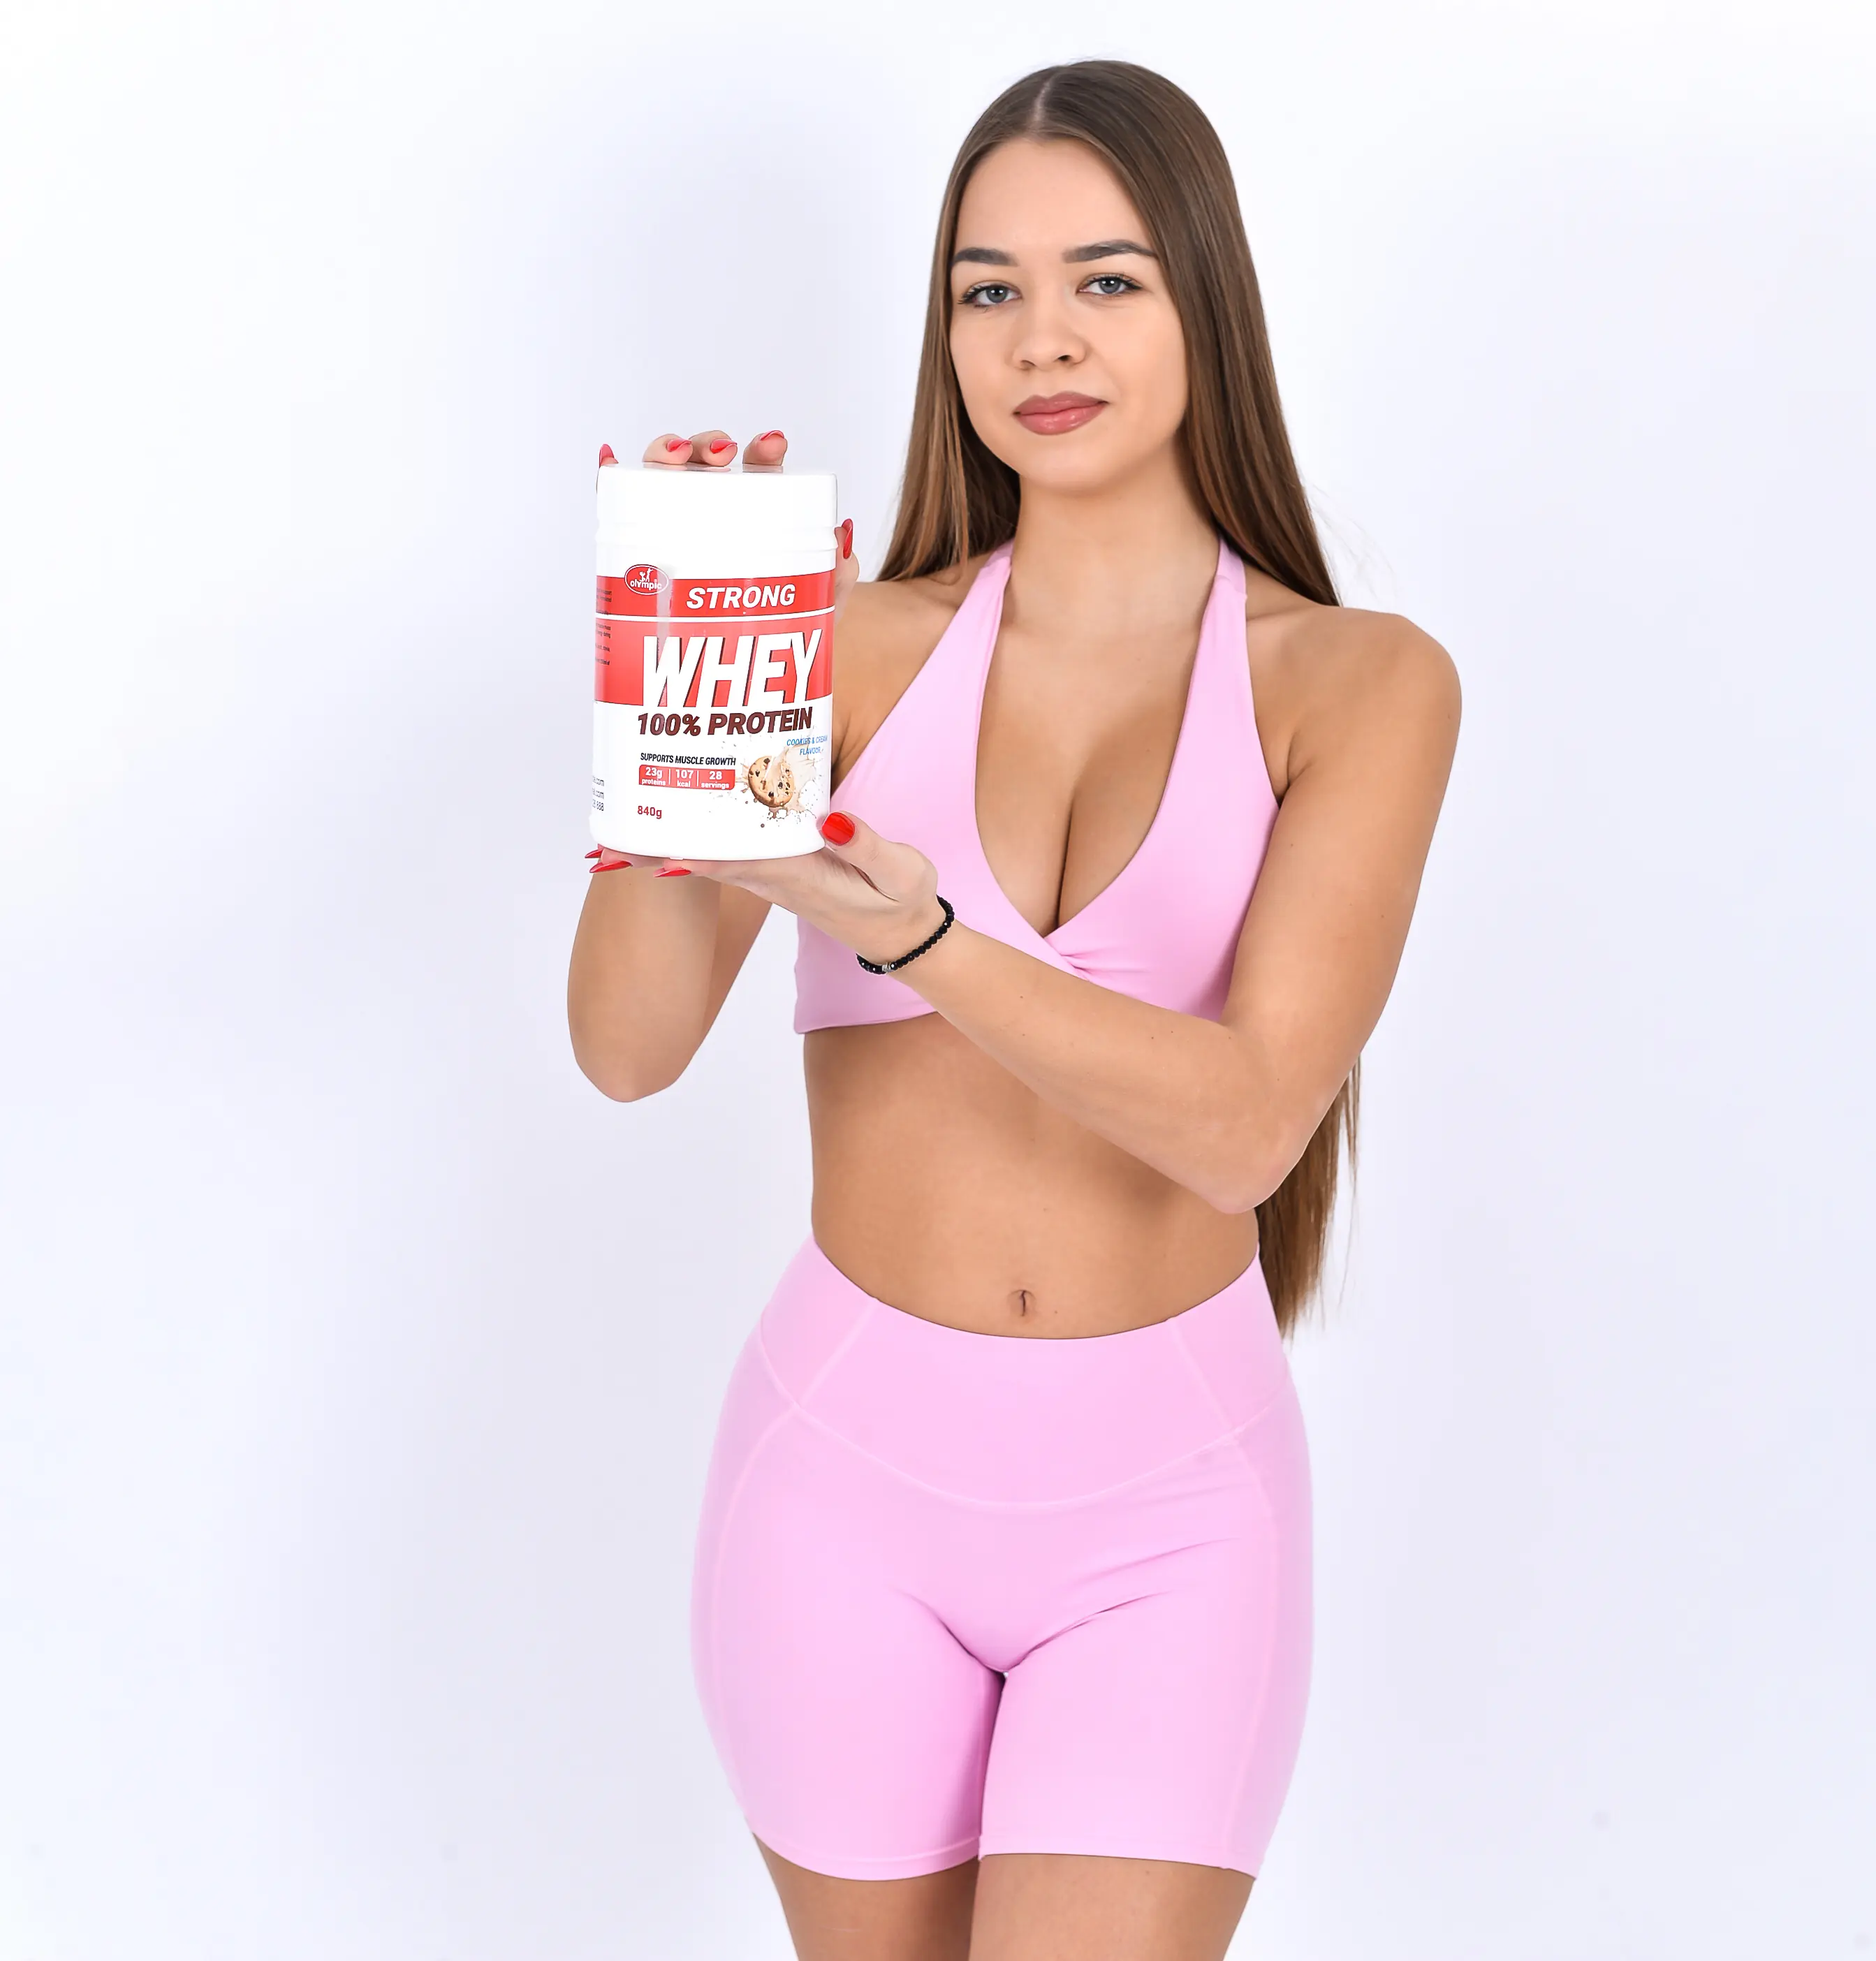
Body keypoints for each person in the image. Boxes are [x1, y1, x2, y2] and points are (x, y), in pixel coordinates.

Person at [566, 58, 1459, 1961]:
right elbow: (628, 1053)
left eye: (1105, 280)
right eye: (990, 290)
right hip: (836, 1486)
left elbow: (1245, 1125)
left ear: (1208, 303)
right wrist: (677, 714)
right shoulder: (855, 649)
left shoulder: (1357, 684)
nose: (1042, 336)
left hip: (1170, 1522)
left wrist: (923, 943)